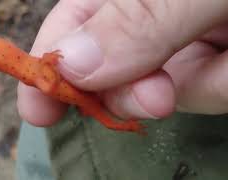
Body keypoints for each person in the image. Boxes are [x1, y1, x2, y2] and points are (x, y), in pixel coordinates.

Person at [16, 1, 228, 179]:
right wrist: (129, 126)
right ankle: (129, 126)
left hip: (90, 95)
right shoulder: (33, 79)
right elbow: (48, 84)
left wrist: (49, 60)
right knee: (107, 114)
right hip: (89, 103)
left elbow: (47, 80)